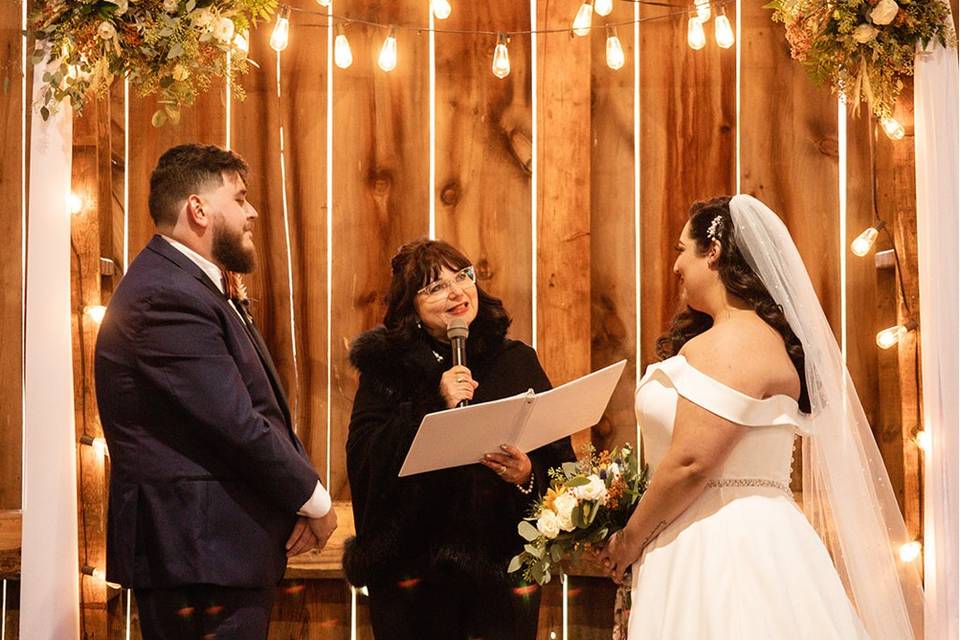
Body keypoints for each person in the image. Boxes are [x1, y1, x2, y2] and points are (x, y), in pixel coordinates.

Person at [599, 195, 923, 638]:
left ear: (711, 252)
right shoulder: (765, 339)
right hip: (772, 542)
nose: (676, 266)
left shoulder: (729, 343)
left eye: (681, 249)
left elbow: (692, 463)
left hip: (714, 544)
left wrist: (628, 542)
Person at [94, 144, 337, 640]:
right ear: (198, 208)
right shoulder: (166, 295)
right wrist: (314, 500)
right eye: (240, 198)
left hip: (216, 553)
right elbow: (236, 423)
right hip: (198, 555)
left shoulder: (189, 286)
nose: (251, 213)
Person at [343, 239, 575, 640]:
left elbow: (558, 460)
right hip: (413, 582)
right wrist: (433, 402)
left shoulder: (515, 361)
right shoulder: (387, 369)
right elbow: (365, 460)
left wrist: (526, 476)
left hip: (499, 577)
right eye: (434, 286)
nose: (456, 292)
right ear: (410, 307)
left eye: (462, 276)